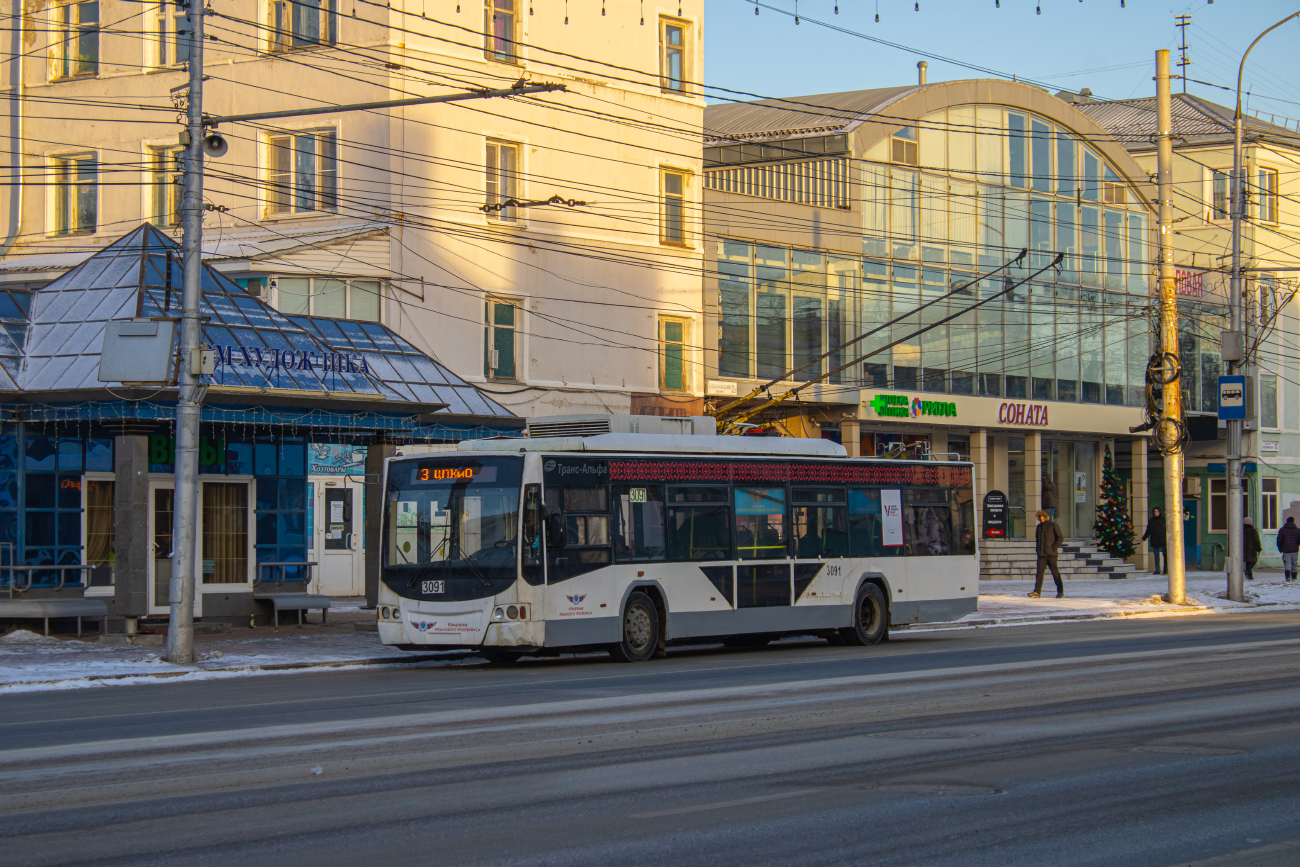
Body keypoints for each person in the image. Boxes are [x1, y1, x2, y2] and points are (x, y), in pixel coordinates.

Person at [1029, 509, 1065, 599]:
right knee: (1039, 573)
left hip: (1051, 554)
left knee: (1055, 572)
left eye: (1043, 516)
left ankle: (1060, 591)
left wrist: (1053, 548)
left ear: (1046, 516)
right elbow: (1037, 539)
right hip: (1041, 555)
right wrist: (1038, 549)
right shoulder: (1039, 527)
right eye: (1040, 516)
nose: (1041, 518)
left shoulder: (1053, 526)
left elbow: (1060, 538)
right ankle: (1037, 592)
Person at [1141, 507, 1168, 575]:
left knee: (1165, 555)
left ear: (1159, 512)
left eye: (1157, 511)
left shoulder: (1163, 520)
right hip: (1155, 540)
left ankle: (1165, 569)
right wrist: (1143, 538)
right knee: (1156, 556)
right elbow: (1148, 530)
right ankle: (1157, 570)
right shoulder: (1152, 520)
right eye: (1155, 511)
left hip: (1162, 540)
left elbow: (1167, 530)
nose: (1156, 513)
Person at [1277, 516, 1300, 582]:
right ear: (1293, 521)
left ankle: (1288, 577)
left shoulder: (1282, 530)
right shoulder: (1297, 530)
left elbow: (1279, 540)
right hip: (1295, 550)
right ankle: (1294, 577)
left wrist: (1280, 548)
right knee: (1294, 563)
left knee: (1287, 563)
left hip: (1286, 550)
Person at [1244, 517, 1262, 581]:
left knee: (1247, 562)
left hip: (1244, 549)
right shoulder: (1253, 530)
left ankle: (1250, 576)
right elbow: (1256, 540)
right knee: (1253, 561)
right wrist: (1258, 548)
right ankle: (1247, 571)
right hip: (1252, 549)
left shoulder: (1241, 530)